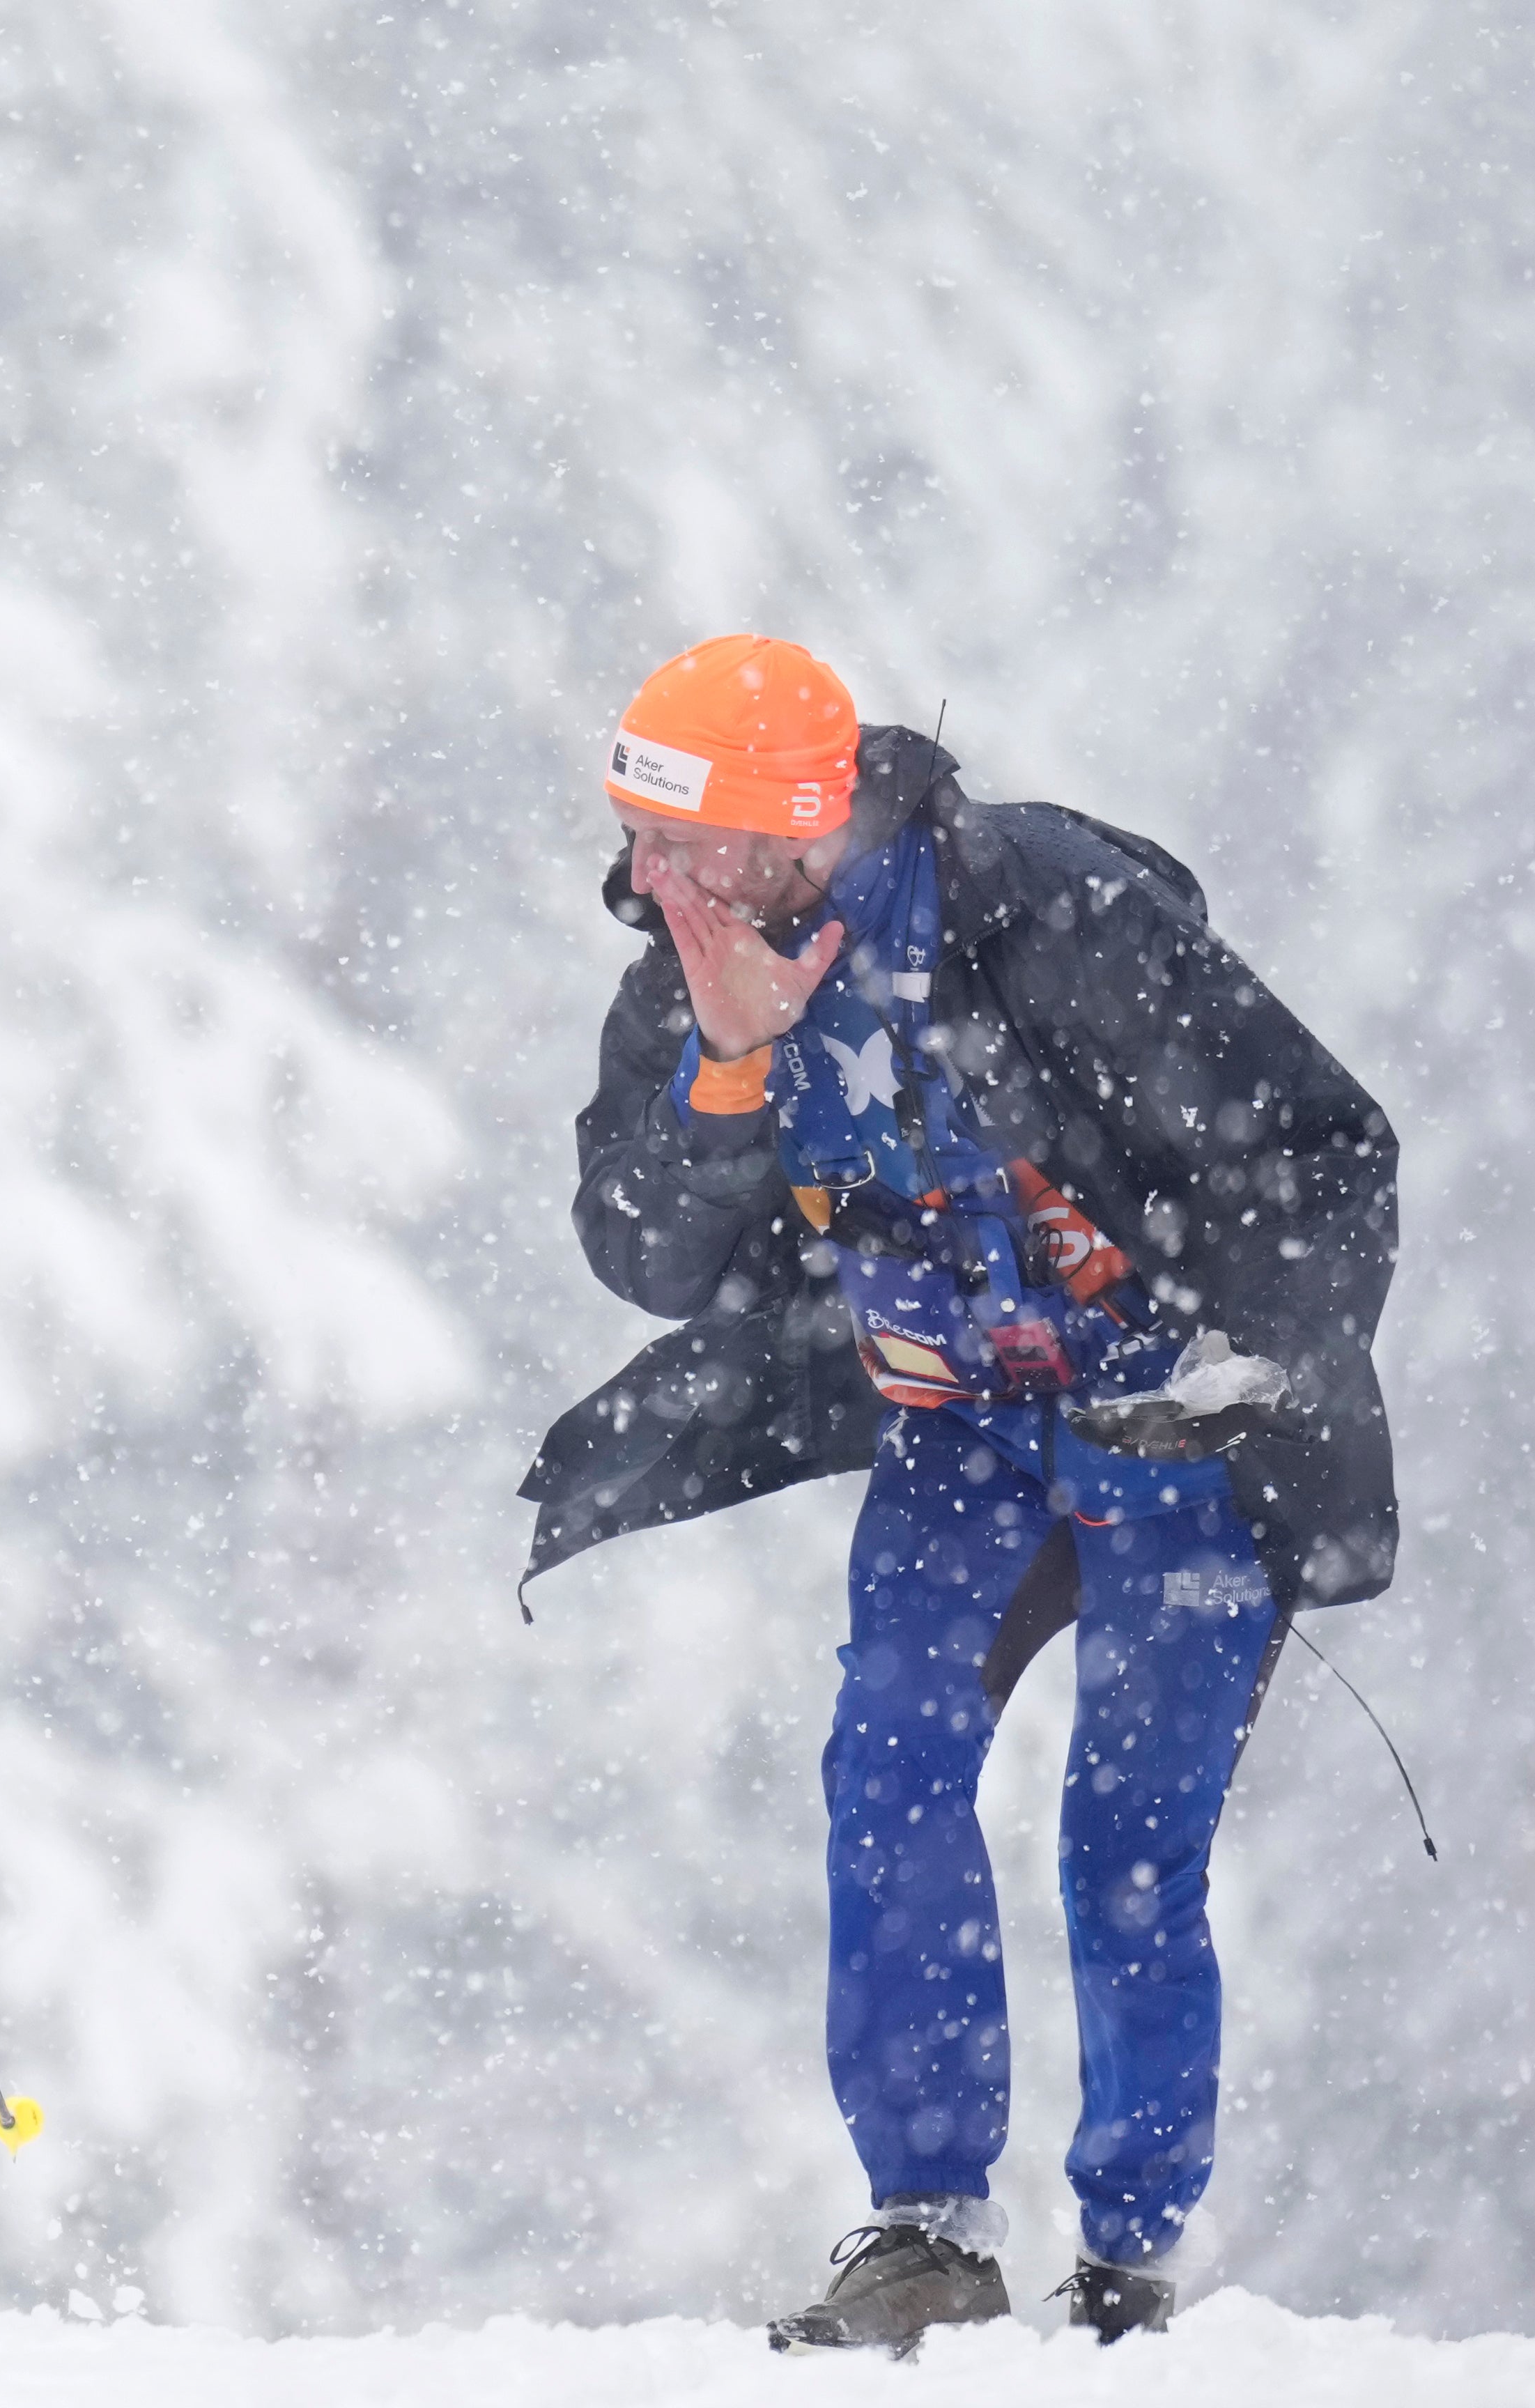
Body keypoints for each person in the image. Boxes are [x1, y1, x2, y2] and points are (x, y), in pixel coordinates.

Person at [517, 637, 1398, 2352]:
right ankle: (923, 2231)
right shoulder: (690, 971)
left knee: (1127, 1839)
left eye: (667, 837)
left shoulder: (1050, 915)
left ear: (784, 827)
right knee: (888, 1771)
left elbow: (1320, 1148)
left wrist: (1244, 1365)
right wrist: (726, 1065)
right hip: (960, 1443)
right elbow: (648, 1256)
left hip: (1177, 1440)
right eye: (631, 830)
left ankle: (1133, 2265)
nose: (635, 873)